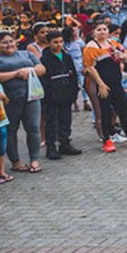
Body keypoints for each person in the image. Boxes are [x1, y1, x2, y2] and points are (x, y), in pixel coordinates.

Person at [85, 20, 127, 153]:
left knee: (125, 109)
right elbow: (90, 68)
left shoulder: (113, 44)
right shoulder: (91, 47)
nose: (102, 32)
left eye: (104, 29)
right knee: (105, 112)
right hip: (102, 84)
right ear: (94, 32)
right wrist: (101, 84)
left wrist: (122, 56)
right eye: (99, 30)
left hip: (116, 82)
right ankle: (107, 140)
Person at [0, 31, 46, 173]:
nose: (9, 45)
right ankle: (15, 161)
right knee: (10, 129)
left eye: (11, 41)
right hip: (8, 100)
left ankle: (34, 159)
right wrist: (15, 74)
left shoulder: (26, 54)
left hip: (31, 97)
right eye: (4, 42)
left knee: (33, 127)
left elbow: (41, 69)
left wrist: (30, 70)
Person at [39, 30, 82, 159]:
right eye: (55, 42)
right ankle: (51, 147)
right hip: (52, 96)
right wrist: (48, 94)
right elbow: (44, 79)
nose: (58, 45)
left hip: (66, 93)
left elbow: (73, 74)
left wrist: (74, 91)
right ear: (49, 43)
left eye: (60, 42)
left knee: (65, 120)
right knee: (51, 122)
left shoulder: (67, 57)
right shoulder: (44, 59)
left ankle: (65, 144)